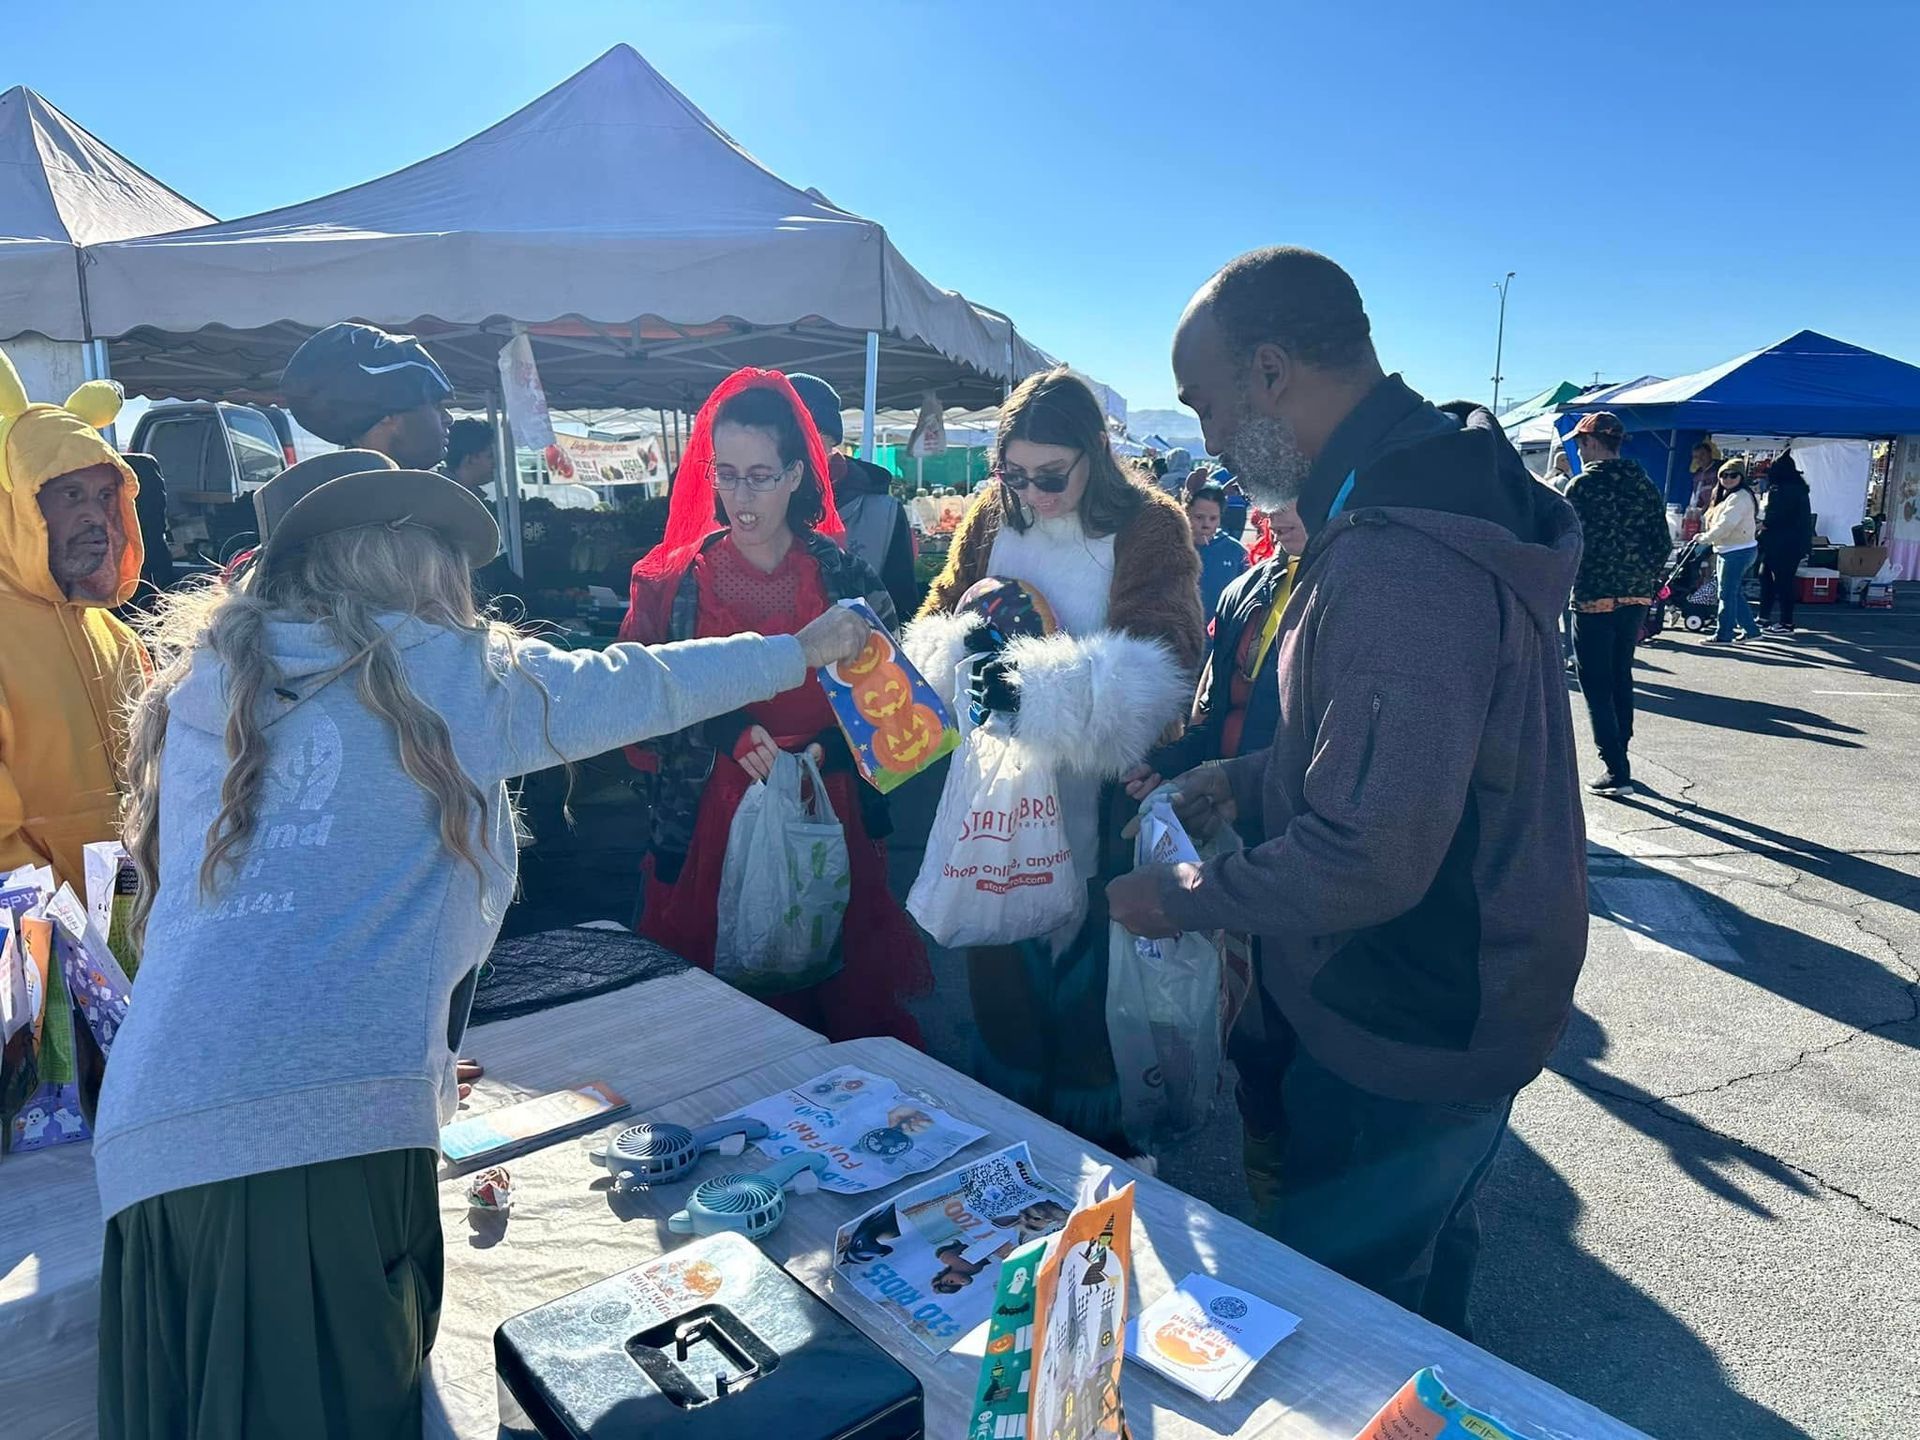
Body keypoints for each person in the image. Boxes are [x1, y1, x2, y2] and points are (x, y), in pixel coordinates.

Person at [92, 447, 870, 1439]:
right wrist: (801, 647)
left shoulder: (209, 680)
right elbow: (646, 685)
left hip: (148, 1137)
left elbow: (258, 928)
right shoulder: (440, 673)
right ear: (407, 565)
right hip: (315, 1142)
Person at [1108, 246, 1586, 1336]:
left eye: (1209, 407)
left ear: (1271, 372)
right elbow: (1412, 765)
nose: (1214, 447)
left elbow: (1371, 851)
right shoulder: (1399, 499)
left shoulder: (1397, 556)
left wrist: (1176, 899)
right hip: (1445, 994)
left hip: (1414, 1016)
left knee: (1351, 1336)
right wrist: (1245, 773)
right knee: (1421, 1312)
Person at [903, 367, 1203, 1154]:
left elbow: (1169, 657)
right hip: (998, 792)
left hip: (1101, 801)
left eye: (1050, 475)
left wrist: (1033, 689)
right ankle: (1008, 1140)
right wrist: (951, 658)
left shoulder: (1149, 526)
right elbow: (941, 607)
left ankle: (1102, 1161)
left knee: (1091, 992)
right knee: (1003, 962)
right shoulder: (990, 514)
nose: (1029, 493)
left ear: (1094, 455)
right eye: (1013, 472)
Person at [620, 369, 930, 1045]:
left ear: (798, 474)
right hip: (709, 820)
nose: (740, 495)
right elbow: (637, 712)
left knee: (831, 993)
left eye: (760, 475)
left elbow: (897, 718)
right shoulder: (672, 583)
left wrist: (826, 751)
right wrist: (724, 730)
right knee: (722, 1014)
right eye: (725, 473)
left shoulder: (845, 577)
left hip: (829, 807)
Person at [1124, 500, 1308, 1204]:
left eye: (1300, 490)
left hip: (1300, 848)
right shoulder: (1249, 587)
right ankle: (1270, 1195)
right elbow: (1214, 719)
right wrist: (1167, 767)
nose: (1282, 511)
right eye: (1273, 494)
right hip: (1225, 836)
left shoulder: (1361, 598)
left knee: (1298, 1033)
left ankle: (1303, 1201)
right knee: (1249, 1029)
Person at [0, 352, 148, 889]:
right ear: (15, 505)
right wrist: (55, 931)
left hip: (131, 926)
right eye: (68, 495)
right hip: (35, 946)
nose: (94, 516)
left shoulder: (118, 638)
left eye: (104, 496)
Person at [1564, 410, 1674, 797]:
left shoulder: (1580, 488)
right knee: (1619, 674)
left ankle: (1615, 768)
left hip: (1594, 596)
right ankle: (1620, 752)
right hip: (1635, 596)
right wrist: (1642, 576)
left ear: (1591, 443)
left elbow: (1567, 543)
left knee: (1594, 681)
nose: (1578, 451)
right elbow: (1662, 543)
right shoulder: (1643, 485)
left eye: (1579, 443)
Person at [786, 373, 918, 617]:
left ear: (830, 443)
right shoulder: (754, 504)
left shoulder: (883, 514)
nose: (795, 453)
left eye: (808, 439)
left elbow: (903, 612)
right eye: (783, 440)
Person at [281, 321, 454, 470]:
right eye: (436, 405)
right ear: (389, 414)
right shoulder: (363, 504)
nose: (448, 418)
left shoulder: (326, 495)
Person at [1702, 458, 1763, 644]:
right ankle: (1752, 630)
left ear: (1741, 477)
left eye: (1733, 475)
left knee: (1726, 594)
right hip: (1730, 549)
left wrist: (1704, 539)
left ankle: (1724, 634)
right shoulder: (1728, 495)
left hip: (1737, 551)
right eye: (1724, 475)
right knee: (1733, 592)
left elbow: (1726, 524)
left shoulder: (1740, 497)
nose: (1727, 479)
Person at [1757, 448, 1814, 635]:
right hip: (1792, 542)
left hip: (1783, 542)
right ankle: (1765, 617)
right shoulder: (1798, 488)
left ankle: (1785, 622)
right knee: (1769, 577)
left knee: (1782, 581)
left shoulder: (1783, 490)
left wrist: (1763, 524)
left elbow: (1777, 515)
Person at [1188, 481, 1248, 617]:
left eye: (1213, 518)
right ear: (1187, 512)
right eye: (1199, 517)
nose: (1206, 524)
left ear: (1220, 518)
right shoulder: (1173, 548)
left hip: (1219, 633)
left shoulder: (1236, 552)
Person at [444, 418, 496, 493]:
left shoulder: (445, 489)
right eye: (490, 456)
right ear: (471, 459)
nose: (495, 464)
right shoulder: (445, 494)